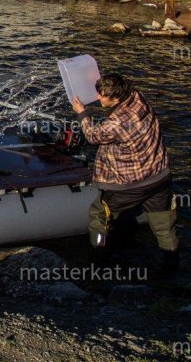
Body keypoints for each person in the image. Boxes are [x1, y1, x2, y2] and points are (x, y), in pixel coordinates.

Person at [71, 73, 179, 272]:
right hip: (159, 176)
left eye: (103, 96)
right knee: (163, 224)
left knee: (98, 215)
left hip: (130, 184)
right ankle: (171, 264)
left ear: (116, 97)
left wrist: (82, 114)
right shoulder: (138, 97)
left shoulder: (116, 123)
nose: (98, 98)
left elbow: (93, 136)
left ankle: (98, 259)